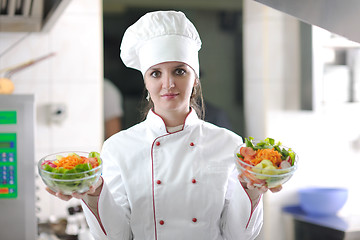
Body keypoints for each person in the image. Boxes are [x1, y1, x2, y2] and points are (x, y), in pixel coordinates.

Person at [46, 10, 282, 240]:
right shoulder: (118, 148)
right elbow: (116, 237)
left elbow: (240, 235)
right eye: (156, 73)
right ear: (146, 82)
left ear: (195, 78)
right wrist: (94, 194)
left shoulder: (228, 144)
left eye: (179, 71)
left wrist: (252, 190)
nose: (168, 84)